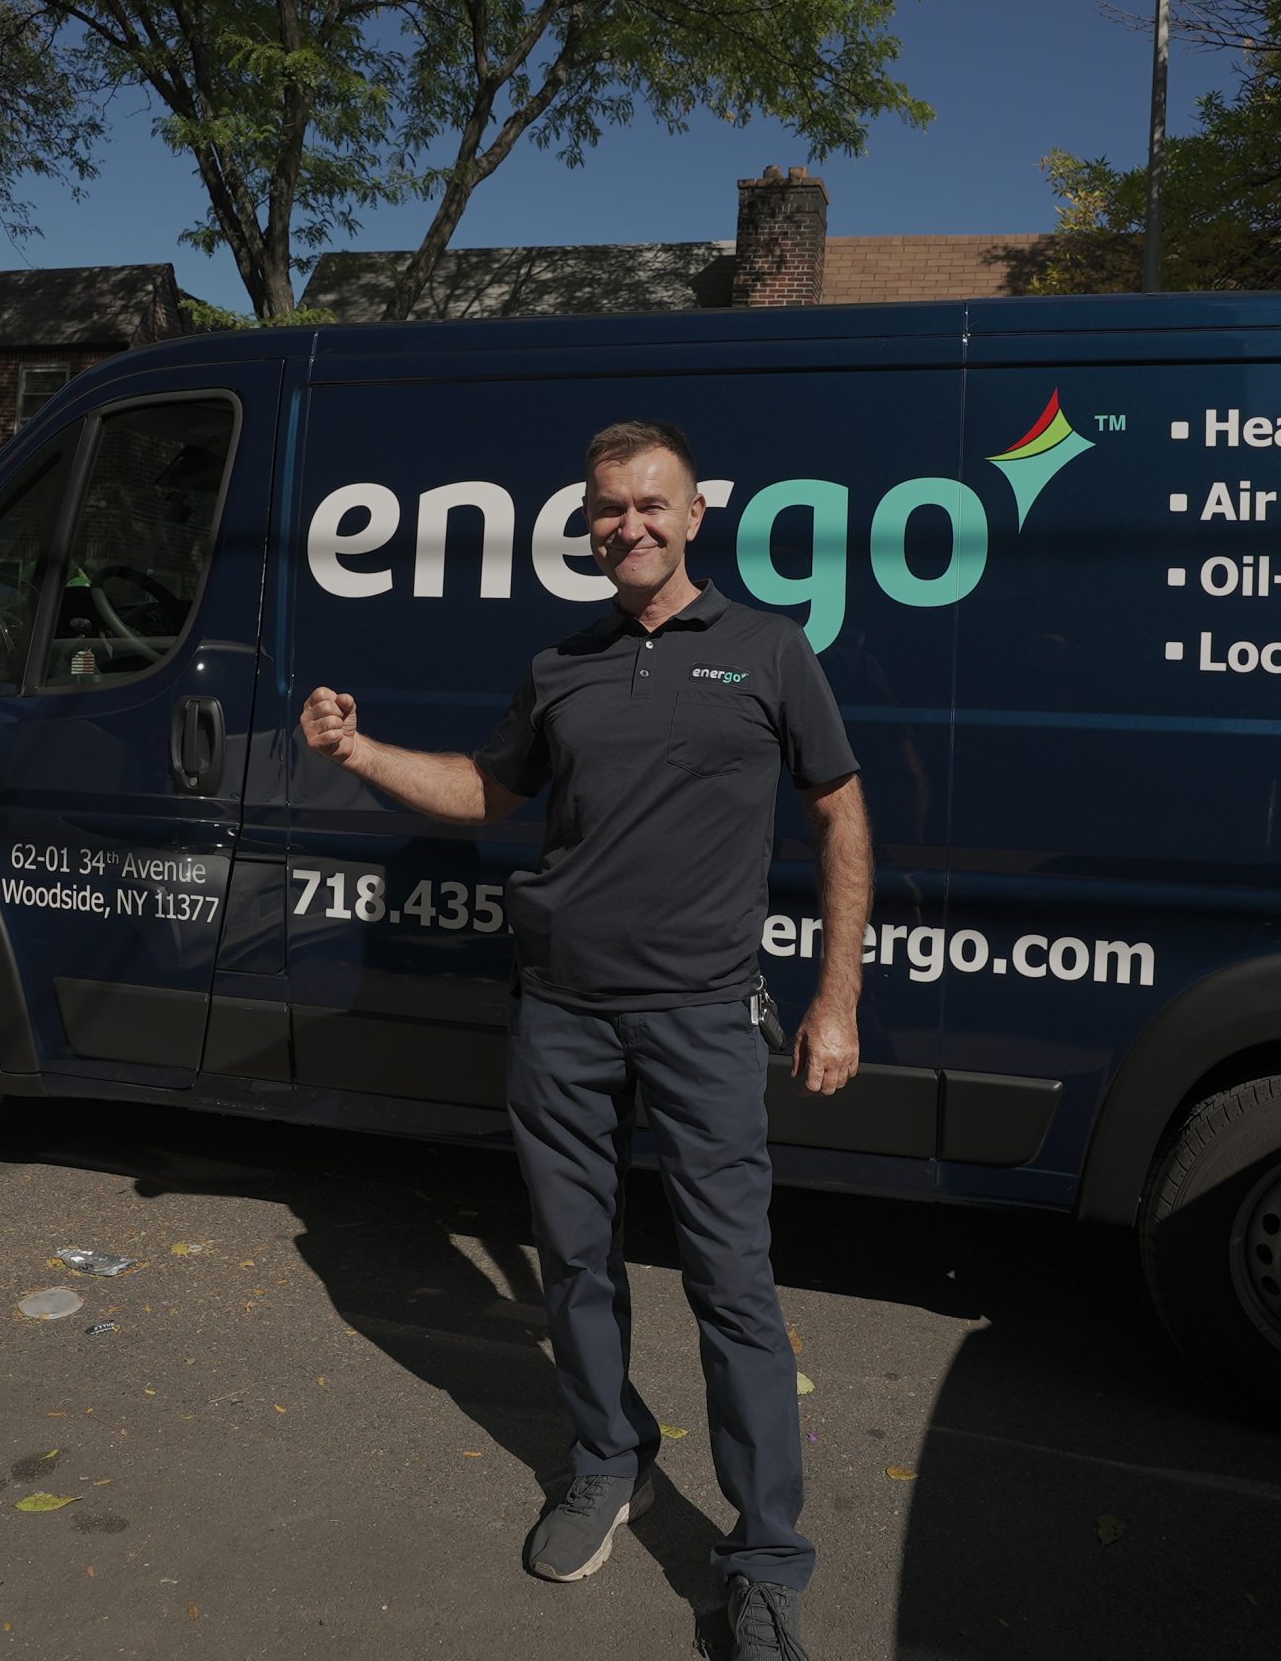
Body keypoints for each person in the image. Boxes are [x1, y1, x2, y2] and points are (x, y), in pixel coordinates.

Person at [300, 418, 872, 1660]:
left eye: (652, 503)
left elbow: (840, 812)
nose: (630, 525)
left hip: (705, 1019)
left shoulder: (770, 650)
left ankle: (765, 1557)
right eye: (609, 508)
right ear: (588, 522)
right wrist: (354, 749)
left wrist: (837, 998)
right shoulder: (560, 666)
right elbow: (484, 792)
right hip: (560, 1015)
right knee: (573, 1263)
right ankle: (608, 1459)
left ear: (695, 514)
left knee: (733, 1286)